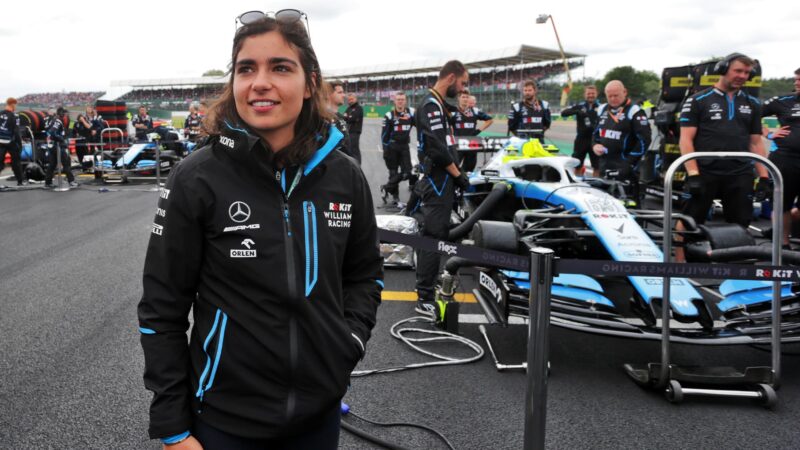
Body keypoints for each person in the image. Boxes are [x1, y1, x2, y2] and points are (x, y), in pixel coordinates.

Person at [138, 12, 383, 450]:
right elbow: (161, 308)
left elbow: (365, 275)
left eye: (280, 67)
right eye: (246, 68)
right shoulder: (196, 178)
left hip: (319, 418)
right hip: (223, 424)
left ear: (310, 84)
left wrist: (347, 343)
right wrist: (172, 427)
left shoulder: (345, 177)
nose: (260, 82)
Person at [675, 53, 768, 261]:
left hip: (739, 172)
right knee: (689, 220)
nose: (742, 76)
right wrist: (693, 173)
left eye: (746, 72)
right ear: (723, 69)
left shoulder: (753, 103)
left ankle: (737, 268)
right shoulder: (698, 100)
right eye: (738, 71)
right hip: (705, 170)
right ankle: (679, 265)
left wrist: (763, 176)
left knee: (741, 223)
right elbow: (686, 140)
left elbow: (755, 142)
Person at [413, 60, 470, 315]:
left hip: (442, 182)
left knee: (438, 234)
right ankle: (424, 297)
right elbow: (436, 148)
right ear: (450, 78)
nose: (463, 89)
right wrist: (458, 175)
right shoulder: (431, 104)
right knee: (432, 238)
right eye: (462, 83)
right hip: (437, 182)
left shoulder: (440, 105)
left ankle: (429, 283)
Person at [592, 80, 651, 206]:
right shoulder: (602, 109)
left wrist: (629, 163)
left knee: (628, 206)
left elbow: (645, 140)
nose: (613, 99)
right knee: (604, 205)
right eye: (610, 96)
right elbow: (596, 134)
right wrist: (595, 145)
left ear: (625, 92)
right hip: (605, 165)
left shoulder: (635, 111)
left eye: (616, 95)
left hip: (625, 168)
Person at [760, 67, 800, 246]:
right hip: (785, 159)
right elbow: (752, 116)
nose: (796, 83)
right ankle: (782, 245)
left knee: (794, 211)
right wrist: (769, 134)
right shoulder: (783, 101)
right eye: (796, 80)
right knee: (781, 203)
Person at [380, 91, 415, 204]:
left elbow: (420, 124)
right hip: (392, 147)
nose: (400, 101)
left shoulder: (411, 112)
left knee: (407, 173)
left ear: (405, 101)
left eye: (402, 99)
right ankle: (395, 197)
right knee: (393, 173)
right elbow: (384, 135)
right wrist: (385, 150)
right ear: (394, 101)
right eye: (398, 99)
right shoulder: (389, 115)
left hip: (405, 147)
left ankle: (386, 187)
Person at [561, 85, 600, 176]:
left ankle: (596, 186)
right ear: (584, 95)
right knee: (577, 165)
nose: (590, 95)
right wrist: (576, 111)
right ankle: (577, 186)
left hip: (596, 141)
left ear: (596, 94)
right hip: (581, 140)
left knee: (597, 167)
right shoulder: (579, 106)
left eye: (592, 93)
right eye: (588, 93)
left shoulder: (602, 107)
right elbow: (563, 113)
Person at [452, 89, 494, 173]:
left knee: (469, 170)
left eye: (467, 97)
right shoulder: (453, 111)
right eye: (463, 97)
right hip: (457, 145)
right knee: (454, 169)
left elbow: (490, 120)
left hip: (472, 145)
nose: (465, 99)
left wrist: (478, 130)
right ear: (458, 98)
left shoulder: (474, 111)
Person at [43, 108, 77, 187]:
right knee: (66, 163)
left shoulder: (61, 120)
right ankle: (71, 181)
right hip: (57, 146)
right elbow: (52, 132)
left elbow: (69, 132)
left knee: (52, 164)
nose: (66, 115)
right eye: (65, 114)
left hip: (52, 145)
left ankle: (48, 182)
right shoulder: (58, 121)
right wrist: (61, 140)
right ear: (62, 114)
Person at [0, 97, 25, 185]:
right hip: (11, 142)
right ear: (13, 104)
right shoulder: (15, 116)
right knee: (16, 162)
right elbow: (16, 131)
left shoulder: (0, 113)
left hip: (0, 141)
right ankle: (20, 181)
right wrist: (20, 144)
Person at [324, 79, 351, 157]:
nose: (344, 95)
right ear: (328, 94)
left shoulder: (339, 116)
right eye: (340, 92)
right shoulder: (324, 118)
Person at [343, 93, 363, 164]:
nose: (350, 101)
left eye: (352, 99)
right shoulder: (349, 108)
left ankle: (357, 165)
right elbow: (344, 117)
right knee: (349, 149)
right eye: (349, 100)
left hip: (355, 132)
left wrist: (347, 117)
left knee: (354, 150)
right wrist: (348, 117)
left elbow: (353, 118)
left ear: (356, 99)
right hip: (348, 132)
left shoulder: (359, 108)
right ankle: (352, 165)